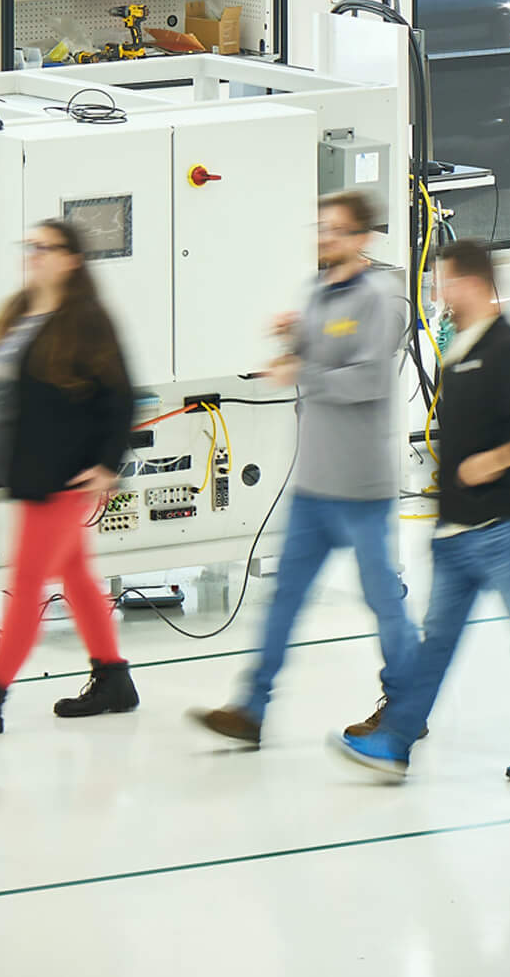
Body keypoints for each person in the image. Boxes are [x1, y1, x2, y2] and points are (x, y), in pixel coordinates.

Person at [336, 240, 510, 785]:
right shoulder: (459, 348)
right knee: (436, 643)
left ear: (472, 282)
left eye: (444, 282)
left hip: (505, 527)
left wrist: (493, 461)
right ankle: (395, 739)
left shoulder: (507, 345)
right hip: (457, 533)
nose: (437, 293)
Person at [189, 191, 416, 748]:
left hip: (362, 488)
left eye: (337, 229)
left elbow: (366, 381)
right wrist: (293, 338)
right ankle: (251, 708)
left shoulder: (380, 298)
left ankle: (409, 705)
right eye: (321, 227)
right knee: (284, 598)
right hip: (316, 483)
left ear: (363, 238)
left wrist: (301, 369)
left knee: (383, 601)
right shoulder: (316, 290)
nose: (325, 237)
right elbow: (316, 357)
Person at [0, 218, 139, 734]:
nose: (37, 256)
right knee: (74, 576)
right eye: (32, 248)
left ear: (72, 260)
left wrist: (107, 463)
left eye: (48, 249)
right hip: (30, 469)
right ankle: (113, 677)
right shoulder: (20, 311)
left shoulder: (88, 321)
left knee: (27, 584)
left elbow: (119, 396)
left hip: (67, 474)